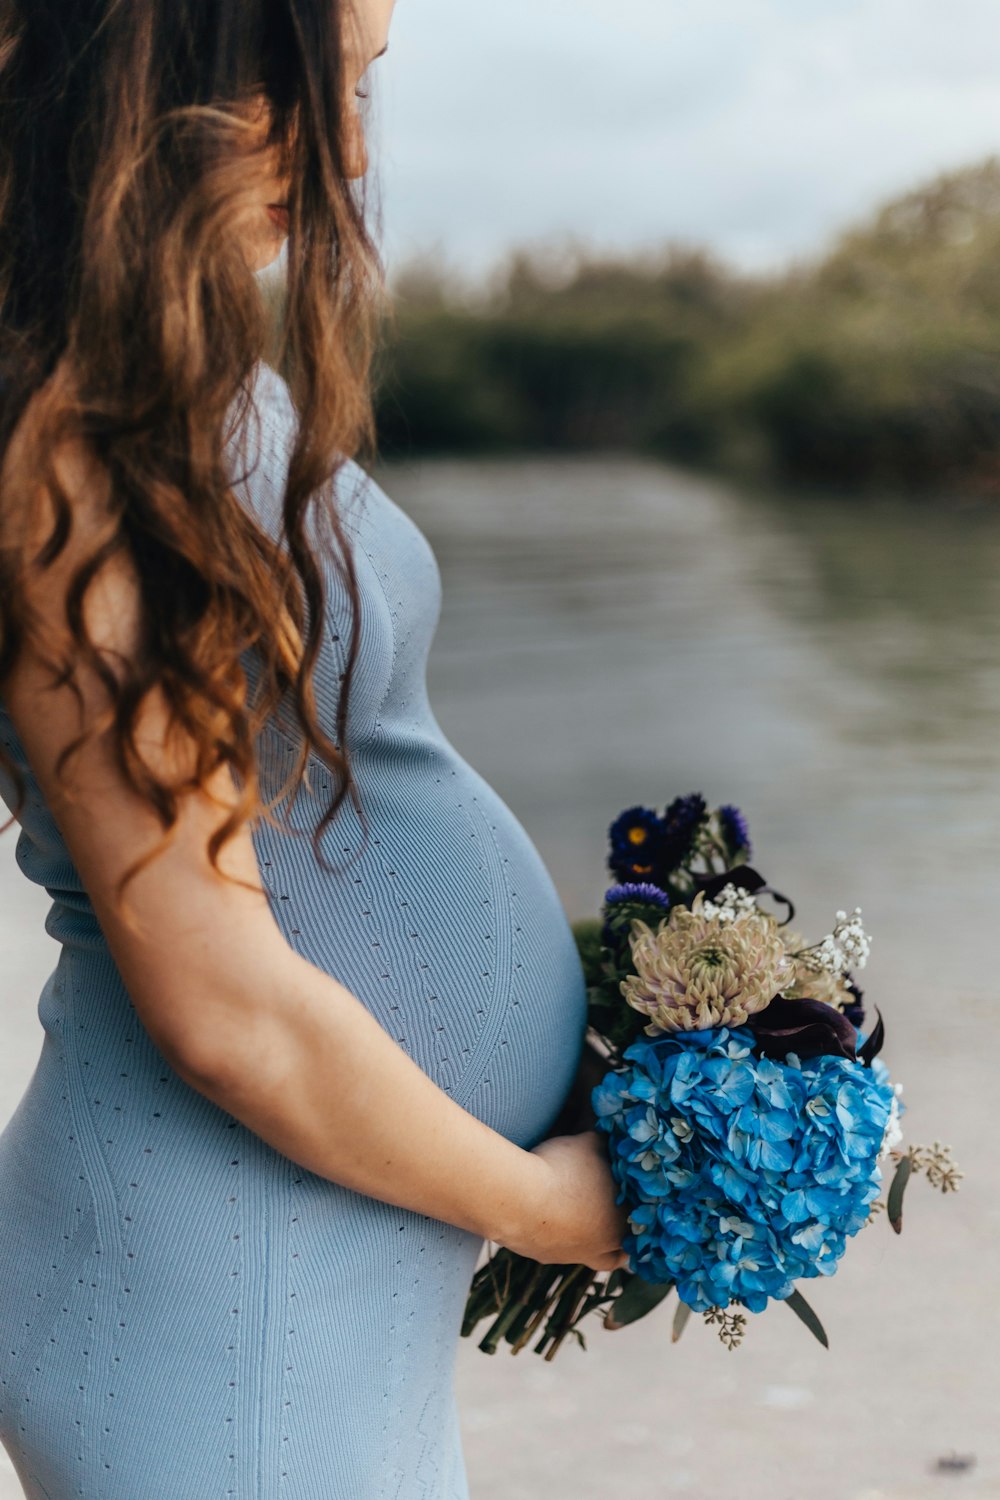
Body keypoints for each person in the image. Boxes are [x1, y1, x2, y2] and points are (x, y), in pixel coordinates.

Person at [0, 2, 629, 1496]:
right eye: (309, 86)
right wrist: (557, 1211)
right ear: (147, 69)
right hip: (214, 1286)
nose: (351, 146)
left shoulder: (172, 370)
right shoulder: (78, 440)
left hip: (290, 1260)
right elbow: (228, 1009)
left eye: (364, 88)